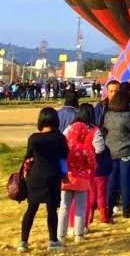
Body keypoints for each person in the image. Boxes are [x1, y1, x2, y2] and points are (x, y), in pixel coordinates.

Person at [19, 108, 69, 252]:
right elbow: (62, 159)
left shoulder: (34, 138)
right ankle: (53, 241)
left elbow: (27, 157)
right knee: (51, 210)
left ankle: (23, 242)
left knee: (31, 209)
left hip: (35, 177)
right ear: (56, 121)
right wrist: (65, 175)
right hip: (53, 177)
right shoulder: (59, 138)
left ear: (40, 120)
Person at [58, 104, 103, 243]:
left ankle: (61, 234)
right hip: (82, 181)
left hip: (66, 179)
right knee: (80, 207)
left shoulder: (65, 147)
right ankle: (79, 233)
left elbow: (60, 161)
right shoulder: (85, 148)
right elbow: (93, 161)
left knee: (64, 206)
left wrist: (63, 173)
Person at [103, 91, 130, 220]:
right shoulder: (127, 116)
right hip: (126, 151)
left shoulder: (108, 115)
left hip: (111, 151)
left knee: (112, 182)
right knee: (124, 181)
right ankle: (126, 209)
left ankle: (108, 209)